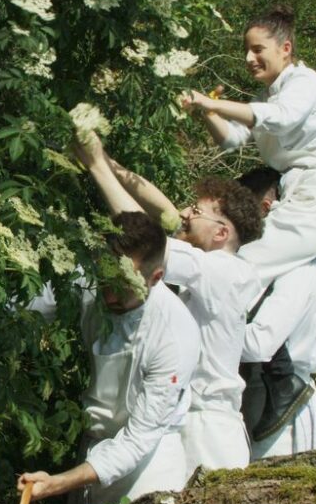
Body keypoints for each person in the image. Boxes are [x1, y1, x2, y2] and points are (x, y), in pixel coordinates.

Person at [73, 134, 263, 477]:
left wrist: (97, 167)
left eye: (197, 210)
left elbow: (142, 238)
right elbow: (161, 214)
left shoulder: (222, 271)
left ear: (221, 233)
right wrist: (106, 159)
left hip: (207, 428)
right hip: (184, 413)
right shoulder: (210, 266)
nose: (186, 213)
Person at [18, 181, 201, 504]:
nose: (109, 294)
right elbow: (30, 305)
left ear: (156, 276)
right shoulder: (93, 284)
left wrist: (58, 482)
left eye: (123, 284)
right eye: (105, 279)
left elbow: (139, 439)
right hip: (94, 449)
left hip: (149, 468)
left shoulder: (175, 334)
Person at [181, 4, 316, 288]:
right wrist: (209, 112)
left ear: (285, 48)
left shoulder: (305, 82)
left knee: (243, 265)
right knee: (255, 270)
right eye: (247, 51)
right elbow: (230, 139)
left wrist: (212, 102)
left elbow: (281, 119)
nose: (249, 58)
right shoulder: (264, 96)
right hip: (296, 193)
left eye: (258, 49)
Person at [237, 166, 316, 459]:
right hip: (256, 394)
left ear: (266, 208)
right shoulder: (270, 261)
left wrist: (200, 335)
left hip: (284, 411)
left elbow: (259, 343)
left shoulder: (301, 266)